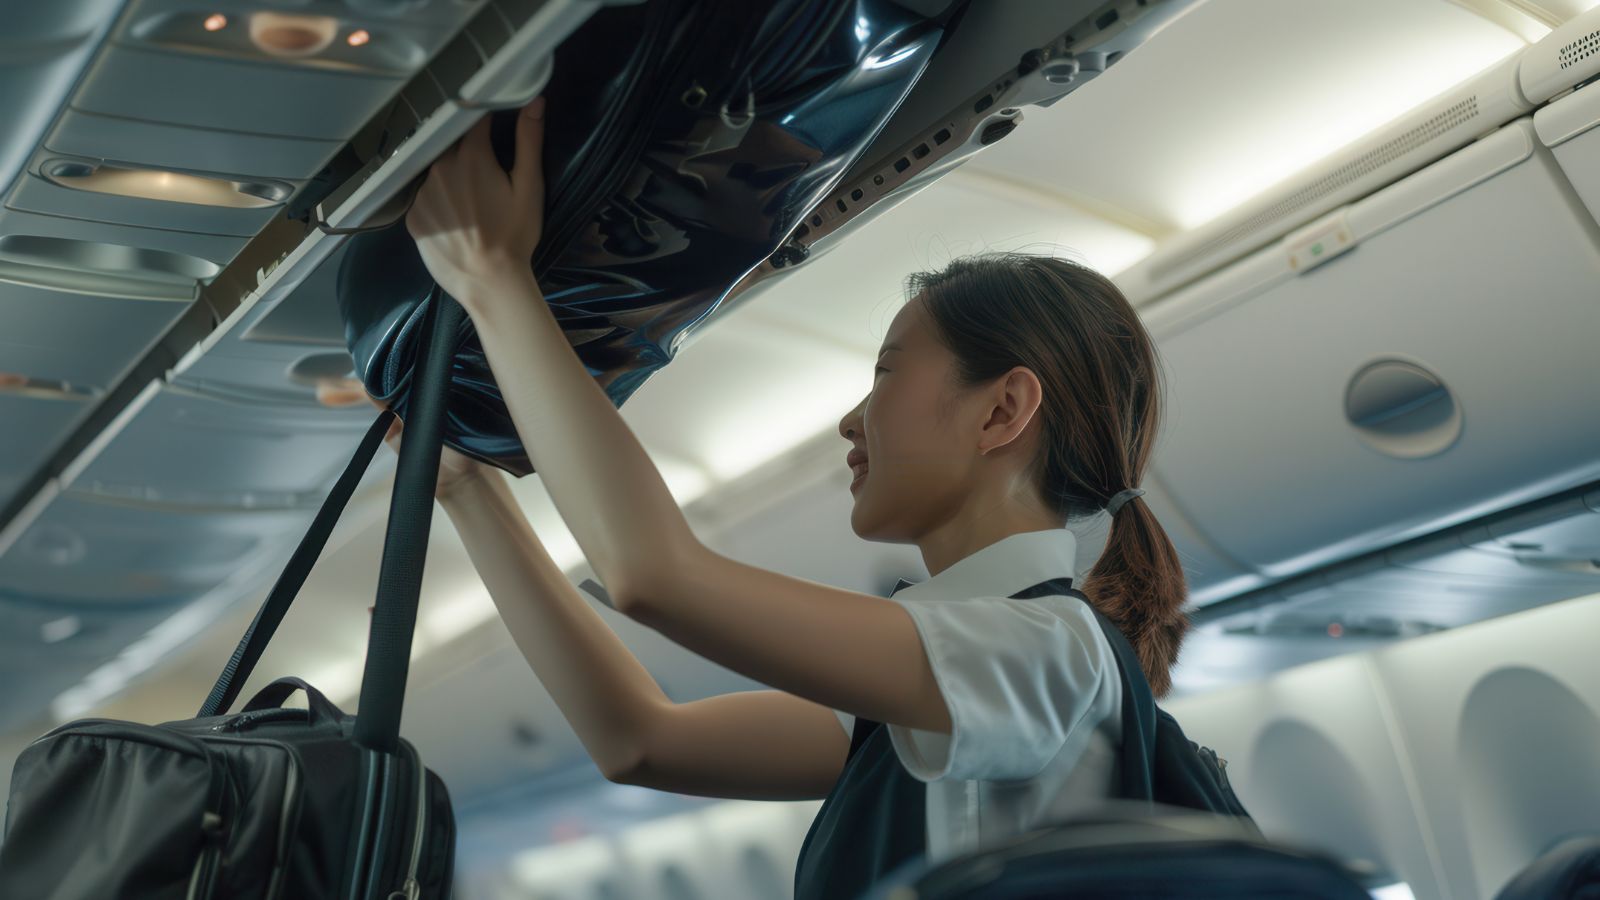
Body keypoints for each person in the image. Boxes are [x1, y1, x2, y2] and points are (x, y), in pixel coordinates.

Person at [376, 93, 1192, 897]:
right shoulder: (959, 682)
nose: (852, 420)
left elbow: (656, 576)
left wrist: (497, 279)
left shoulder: (1047, 652)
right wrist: (468, 489)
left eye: (885, 374)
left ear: (1002, 411)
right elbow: (640, 740)